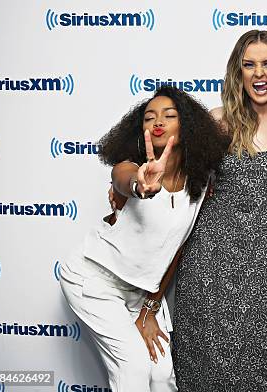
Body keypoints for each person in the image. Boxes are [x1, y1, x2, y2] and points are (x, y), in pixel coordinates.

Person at [59, 85, 228, 392]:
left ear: (187, 125)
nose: (158, 121)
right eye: (149, 117)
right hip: (95, 281)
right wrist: (139, 185)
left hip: (142, 296)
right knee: (133, 369)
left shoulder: (199, 185)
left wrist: (149, 309)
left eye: (169, 115)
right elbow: (121, 179)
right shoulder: (134, 168)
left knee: (161, 376)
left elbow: (174, 252)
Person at [171, 30, 267, 392]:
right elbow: (175, 179)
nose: (259, 74)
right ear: (239, 71)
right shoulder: (219, 121)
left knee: (257, 368)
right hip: (209, 262)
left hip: (260, 265)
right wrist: (126, 186)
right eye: (249, 65)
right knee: (207, 364)